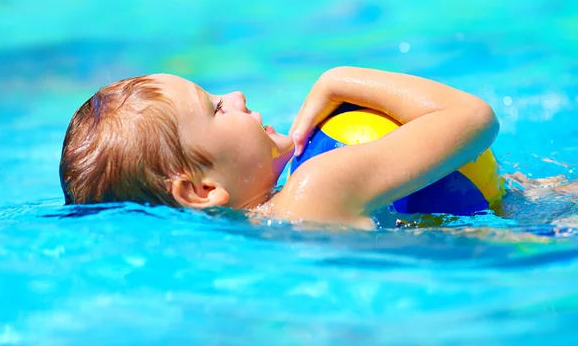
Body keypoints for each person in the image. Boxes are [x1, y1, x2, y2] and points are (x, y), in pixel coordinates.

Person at [59, 66, 500, 229]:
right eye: (215, 109)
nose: (235, 96)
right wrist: (338, 79)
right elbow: (474, 119)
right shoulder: (314, 188)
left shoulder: (267, 227)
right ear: (200, 191)